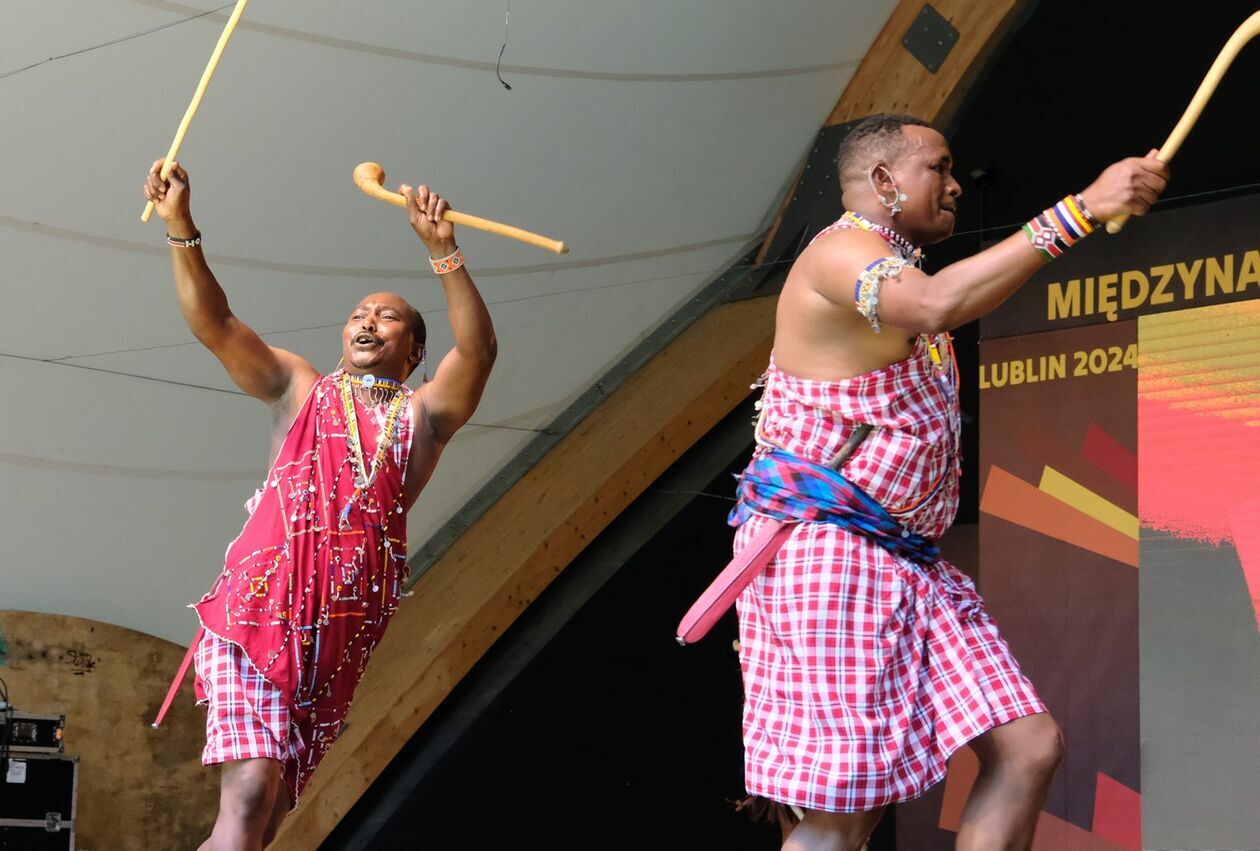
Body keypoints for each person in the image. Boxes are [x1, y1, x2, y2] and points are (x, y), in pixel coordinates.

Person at [727, 114, 1167, 851]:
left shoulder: (895, 269)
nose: (958, 183)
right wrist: (1082, 209)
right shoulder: (837, 254)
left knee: (1029, 748)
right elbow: (934, 305)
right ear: (882, 180)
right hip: (832, 553)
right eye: (939, 166)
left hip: (904, 564)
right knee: (844, 814)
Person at [143, 158, 497, 850]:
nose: (367, 323)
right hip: (258, 614)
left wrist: (442, 252)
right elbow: (216, 323)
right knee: (246, 797)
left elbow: (479, 352)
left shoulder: (423, 418)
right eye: (359, 314)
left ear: (415, 349)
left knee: (266, 816)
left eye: (387, 317)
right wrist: (181, 226)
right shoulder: (301, 389)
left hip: (334, 647)